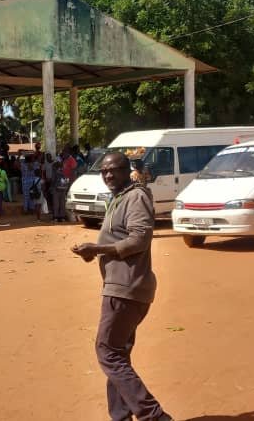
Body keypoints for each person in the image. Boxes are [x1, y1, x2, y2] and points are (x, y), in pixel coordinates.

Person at [70, 153, 171, 421]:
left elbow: (139, 239)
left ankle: (154, 416)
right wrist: (94, 252)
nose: (108, 175)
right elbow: (119, 239)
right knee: (118, 354)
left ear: (127, 170)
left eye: (114, 170)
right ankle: (120, 415)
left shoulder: (135, 197)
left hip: (126, 287)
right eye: (104, 171)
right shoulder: (119, 197)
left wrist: (98, 249)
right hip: (123, 286)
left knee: (107, 352)